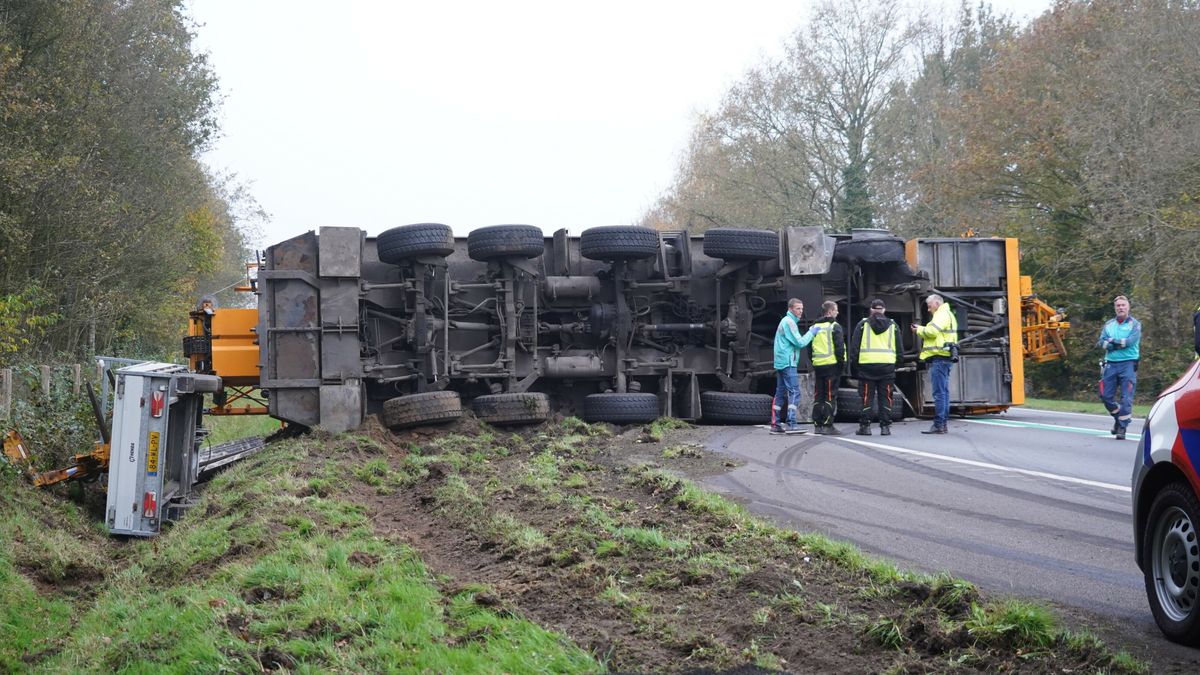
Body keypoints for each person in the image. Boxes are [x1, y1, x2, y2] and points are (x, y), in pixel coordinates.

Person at [849, 298, 901, 436]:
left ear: (871, 309)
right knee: (886, 397)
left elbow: (854, 348)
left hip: (867, 367)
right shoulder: (893, 325)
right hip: (887, 367)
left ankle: (865, 427)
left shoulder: (862, 324)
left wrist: (856, 366)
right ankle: (885, 427)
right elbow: (900, 349)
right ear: (884, 310)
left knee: (867, 397)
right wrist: (896, 365)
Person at [772, 298, 821, 433]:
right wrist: (812, 332)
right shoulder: (790, 323)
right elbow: (800, 343)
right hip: (788, 362)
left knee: (780, 392)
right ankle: (792, 423)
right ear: (790, 309)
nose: (801, 311)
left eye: (802, 309)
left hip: (781, 362)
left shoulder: (785, 321)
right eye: (798, 308)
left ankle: (775, 424)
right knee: (794, 392)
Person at [912, 293, 957, 434]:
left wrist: (918, 329)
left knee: (939, 393)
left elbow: (932, 332)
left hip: (940, 358)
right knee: (943, 392)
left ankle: (939, 424)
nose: (928, 309)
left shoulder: (941, 314)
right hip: (943, 357)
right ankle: (942, 424)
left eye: (929, 305)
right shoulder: (946, 313)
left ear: (937, 303)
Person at [1097, 295, 1141, 440]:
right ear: (1115, 308)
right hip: (1110, 364)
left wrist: (1111, 342)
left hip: (1128, 364)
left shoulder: (1135, 324)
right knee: (1105, 395)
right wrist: (1115, 343)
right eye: (1118, 306)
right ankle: (1118, 419)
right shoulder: (1109, 325)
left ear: (1128, 307)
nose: (1121, 308)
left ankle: (1122, 427)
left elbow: (1129, 342)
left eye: (1123, 305)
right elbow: (1101, 343)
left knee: (1126, 397)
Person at [807, 301, 846, 435]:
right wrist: (841, 364)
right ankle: (828, 425)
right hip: (832, 366)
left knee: (819, 396)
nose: (837, 312)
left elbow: (809, 347)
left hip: (819, 366)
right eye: (836, 310)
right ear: (830, 312)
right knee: (830, 396)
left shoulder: (814, 327)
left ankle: (817, 425)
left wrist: (814, 361)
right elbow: (839, 348)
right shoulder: (835, 326)